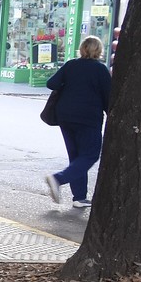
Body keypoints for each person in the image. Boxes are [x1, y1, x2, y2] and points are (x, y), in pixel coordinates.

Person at [43, 36, 111, 209]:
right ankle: (58, 179)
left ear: (82, 49)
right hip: (88, 118)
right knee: (90, 155)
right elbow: (109, 97)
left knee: (76, 157)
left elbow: (51, 83)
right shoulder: (100, 70)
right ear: (98, 51)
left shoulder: (71, 65)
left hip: (65, 116)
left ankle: (79, 197)